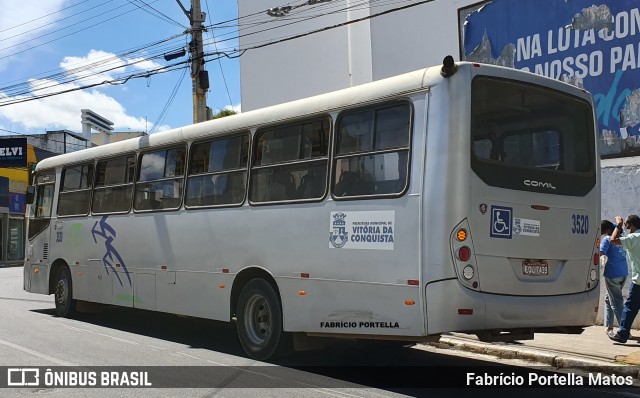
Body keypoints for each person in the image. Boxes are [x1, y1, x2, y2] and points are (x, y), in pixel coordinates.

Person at [608, 215, 640, 343]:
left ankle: (622, 334)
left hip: (639, 281)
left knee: (630, 307)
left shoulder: (634, 238)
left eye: (626, 225)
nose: (625, 228)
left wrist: (618, 225)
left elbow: (613, 240)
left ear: (631, 225)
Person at [599, 220, 628, 336]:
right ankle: (609, 327)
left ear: (606, 230)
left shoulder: (607, 239)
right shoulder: (621, 238)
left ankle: (624, 330)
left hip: (612, 274)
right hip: (623, 273)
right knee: (608, 299)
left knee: (616, 302)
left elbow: (601, 253)